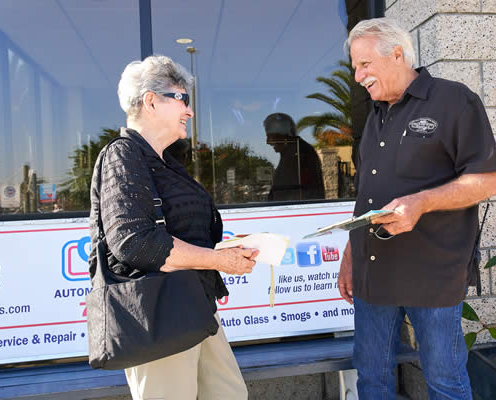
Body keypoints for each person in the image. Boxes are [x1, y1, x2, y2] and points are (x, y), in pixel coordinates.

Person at [337, 18, 496, 400]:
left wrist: (420, 202)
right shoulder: (375, 114)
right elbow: (368, 193)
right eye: (355, 68)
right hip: (373, 271)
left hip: (433, 273)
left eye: (364, 65)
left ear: (396, 54)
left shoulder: (453, 100)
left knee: (444, 382)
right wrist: (350, 254)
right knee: (372, 379)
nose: (358, 76)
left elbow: (491, 179)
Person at [89, 55, 257, 400]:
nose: (190, 111)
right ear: (150, 100)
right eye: (182, 99)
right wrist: (218, 261)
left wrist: (220, 253)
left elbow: (181, 233)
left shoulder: (165, 162)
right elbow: (136, 243)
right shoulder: (123, 155)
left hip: (194, 307)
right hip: (157, 316)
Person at [264, 113, 325, 201]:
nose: (268, 142)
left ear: (282, 135)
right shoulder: (291, 151)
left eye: (270, 137)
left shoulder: (301, 153)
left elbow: (306, 192)